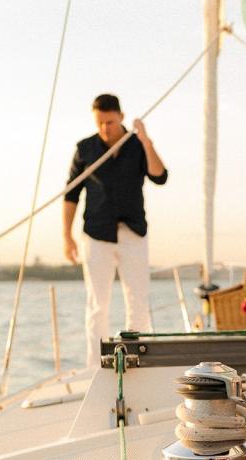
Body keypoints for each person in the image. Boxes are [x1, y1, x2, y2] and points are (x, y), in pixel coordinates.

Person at [63, 94, 168, 367]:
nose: (105, 129)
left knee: (138, 300)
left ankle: (139, 361)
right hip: (97, 235)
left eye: (109, 122)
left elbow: (160, 176)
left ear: (121, 116)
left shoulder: (137, 145)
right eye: (99, 123)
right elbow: (71, 194)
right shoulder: (85, 149)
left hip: (133, 233)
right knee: (98, 304)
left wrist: (146, 141)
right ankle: (95, 366)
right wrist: (67, 235)